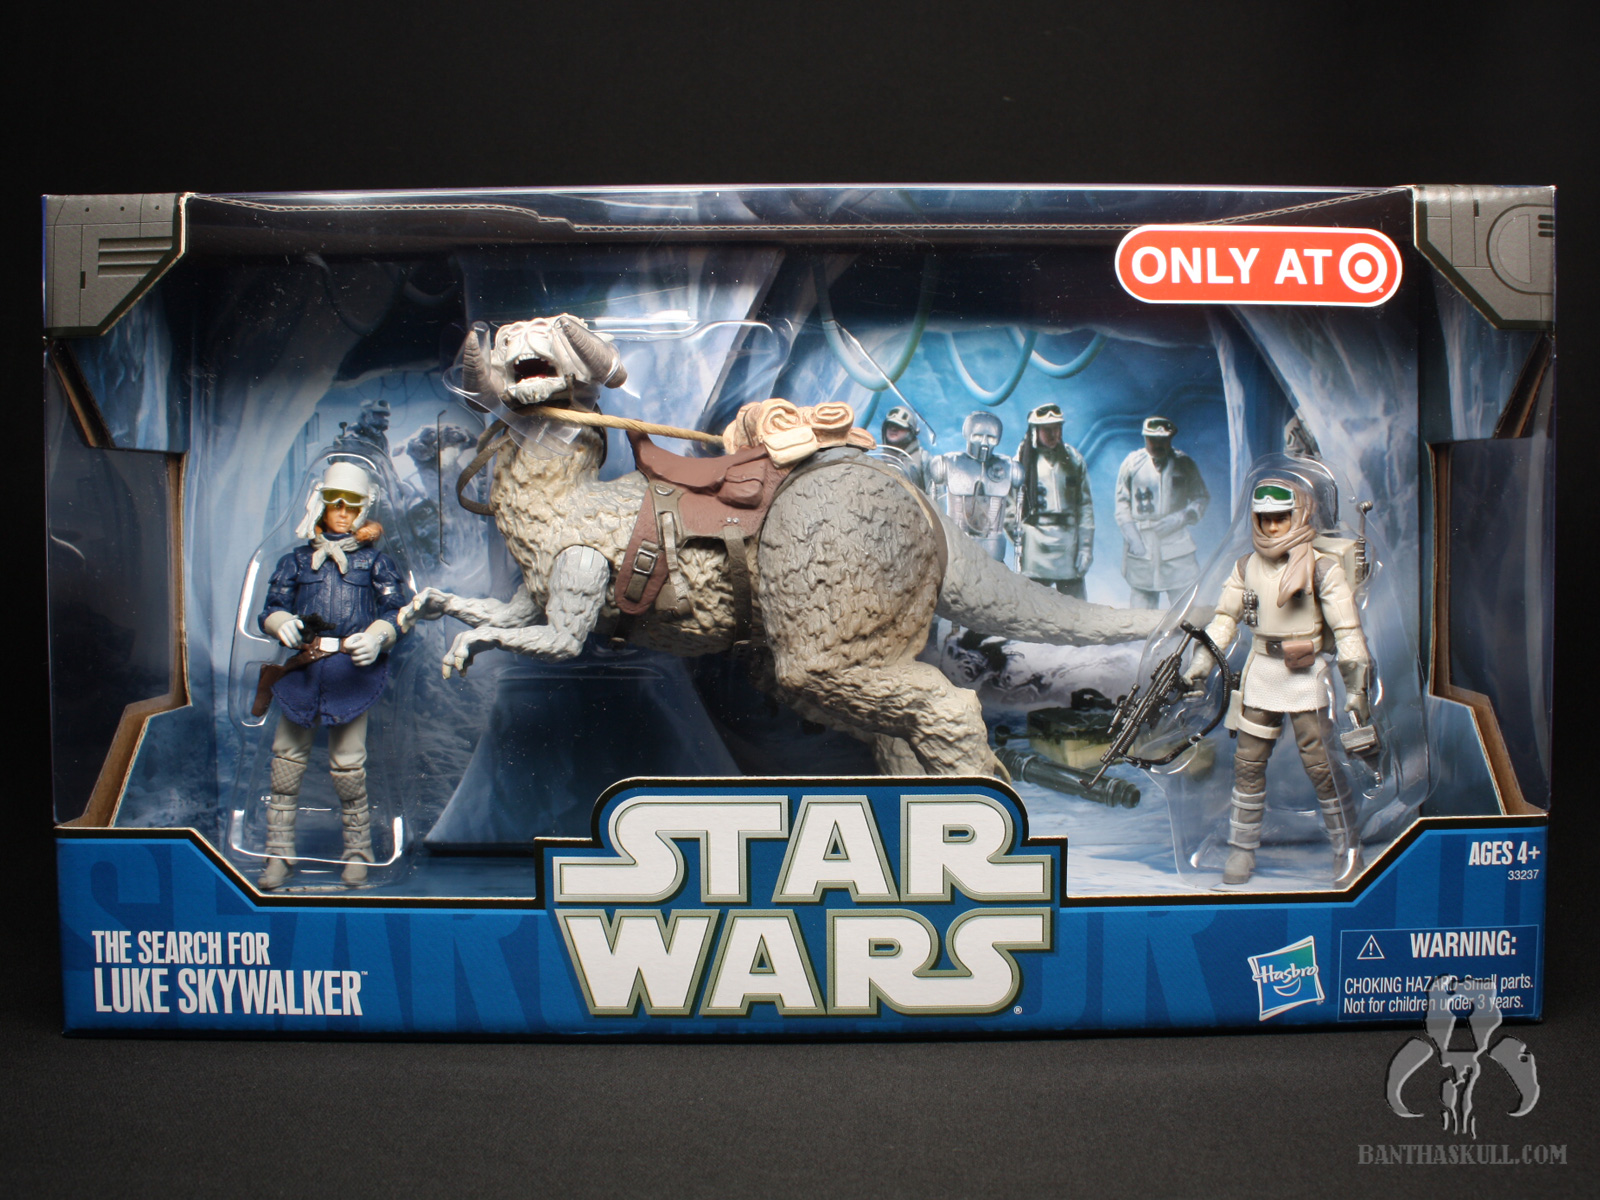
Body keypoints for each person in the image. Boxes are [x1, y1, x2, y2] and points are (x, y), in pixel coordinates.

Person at [1181, 479, 1372, 887]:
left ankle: (1347, 847)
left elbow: (1348, 629)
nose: (1271, 527)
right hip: (1262, 672)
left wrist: (1356, 687)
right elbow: (1224, 620)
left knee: (1321, 766)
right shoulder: (1246, 567)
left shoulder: (1322, 568)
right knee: (1248, 765)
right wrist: (1201, 661)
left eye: (1280, 517)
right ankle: (1241, 848)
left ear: (1299, 514)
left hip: (1306, 675)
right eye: (1264, 518)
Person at [255, 459, 411, 889]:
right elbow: (271, 608)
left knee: (348, 767)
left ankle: (359, 852)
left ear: (364, 508)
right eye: (334, 502)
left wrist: (377, 637)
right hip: (304, 668)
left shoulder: (376, 563)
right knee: (285, 765)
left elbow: (397, 612)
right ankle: (277, 853)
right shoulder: (295, 561)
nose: (342, 511)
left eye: (351, 504)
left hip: (351, 671)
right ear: (321, 503)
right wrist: (280, 623)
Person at [1114, 415, 1209, 607]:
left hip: (1175, 539)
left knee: (1184, 602)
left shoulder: (1184, 463)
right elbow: (1122, 504)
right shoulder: (1133, 464)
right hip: (1142, 540)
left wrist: (1181, 517)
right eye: (1152, 440)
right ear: (1145, 438)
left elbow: (1201, 497)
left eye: (1162, 440)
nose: (1157, 445)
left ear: (1170, 439)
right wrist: (1132, 537)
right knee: (1141, 604)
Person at [1013, 402, 1094, 598]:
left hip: (1068, 544)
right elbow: (1010, 507)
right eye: (1047, 429)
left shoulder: (1073, 460)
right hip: (1036, 546)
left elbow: (1084, 507)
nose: (1053, 434)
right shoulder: (1022, 463)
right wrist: (1021, 538)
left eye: (1056, 428)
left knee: (1076, 608)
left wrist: (1085, 548)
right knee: (1034, 605)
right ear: (1035, 430)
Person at [929, 411, 1022, 562]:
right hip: (956, 547)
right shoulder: (947, 463)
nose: (984, 443)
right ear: (967, 434)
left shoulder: (1010, 467)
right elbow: (934, 500)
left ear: (998, 439)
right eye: (978, 436)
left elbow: (1018, 509)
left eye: (991, 438)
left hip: (993, 550)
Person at [878, 404, 930, 491]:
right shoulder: (878, 457)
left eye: (899, 426)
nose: (893, 429)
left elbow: (934, 494)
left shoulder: (923, 459)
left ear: (911, 431)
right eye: (890, 425)